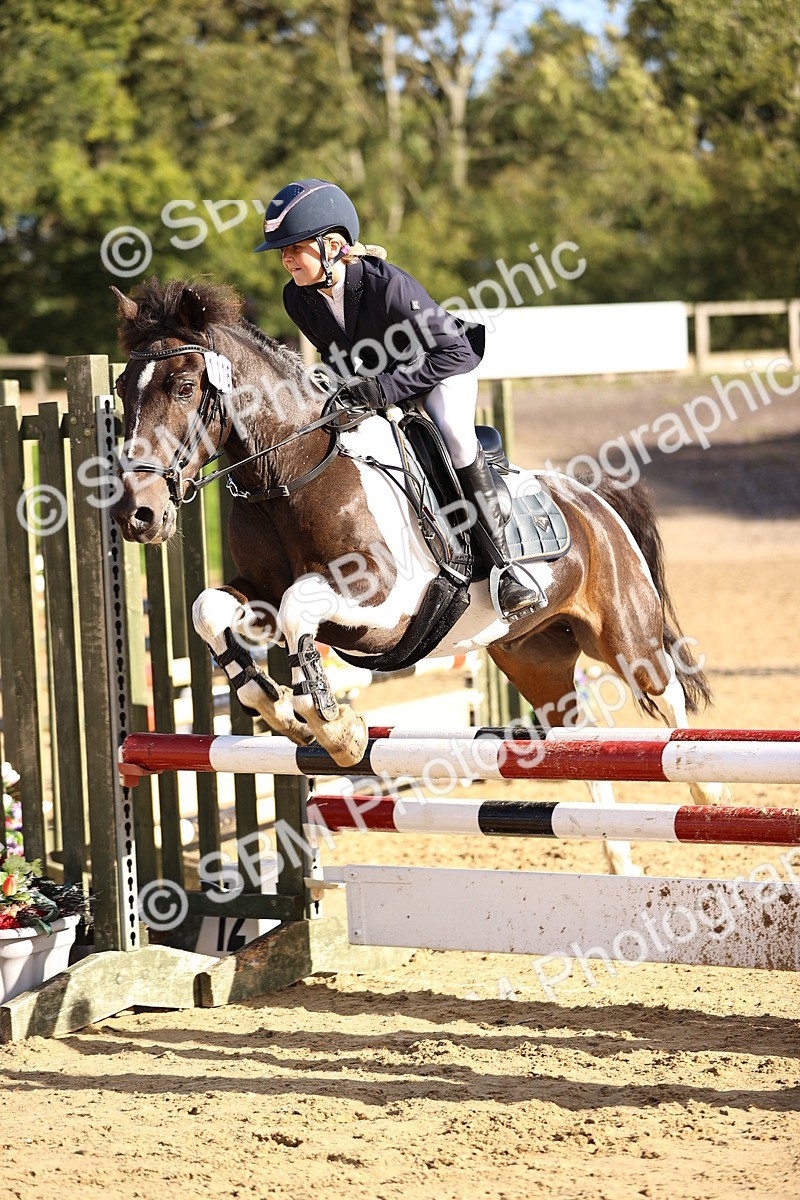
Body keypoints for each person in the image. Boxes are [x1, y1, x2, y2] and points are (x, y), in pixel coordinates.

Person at [255, 178, 544, 618]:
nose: (287, 259)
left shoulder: (387, 286)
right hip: (380, 386)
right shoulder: (297, 298)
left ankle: (504, 568)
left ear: (332, 247)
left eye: (296, 247)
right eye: (283, 251)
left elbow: (455, 351)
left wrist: (387, 388)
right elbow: (340, 359)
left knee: (454, 435)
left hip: (441, 371)